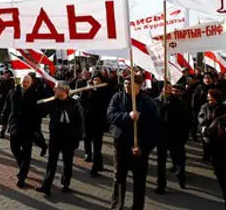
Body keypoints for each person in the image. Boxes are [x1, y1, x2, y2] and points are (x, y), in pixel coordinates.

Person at [107, 75, 159, 210]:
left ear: (139, 86)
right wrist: (126, 116)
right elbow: (110, 116)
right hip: (121, 144)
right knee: (119, 176)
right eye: (125, 83)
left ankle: (137, 206)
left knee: (139, 179)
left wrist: (144, 147)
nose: (127, 87)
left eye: (130, 84)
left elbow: (154, 129)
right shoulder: (117, 98)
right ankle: (117, 205)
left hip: (139, 147)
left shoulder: (149, 103)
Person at [36, 83, 83, 196]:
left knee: (67, 162)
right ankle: (46, 186)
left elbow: (79, 123)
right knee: (51, 163)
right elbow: (42, 112)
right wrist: (44, 102)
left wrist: (77, 138)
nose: (54, 89)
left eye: (56, 88)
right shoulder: (53, 102)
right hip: (55, 137)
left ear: (64, 90)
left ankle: (65, 184)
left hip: (69, 138)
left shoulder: (74, 103)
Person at [2, 74, 42, 188]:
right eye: (24, 81)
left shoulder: (34, 94)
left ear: (31, 83)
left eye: (27, 82)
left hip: (28, 127)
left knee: (26, 152)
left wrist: (36, 128)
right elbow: (7, 107)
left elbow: (37, 113)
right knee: (14, 149)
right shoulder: (13, 92)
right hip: (14, 125)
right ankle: (22, 166)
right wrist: (3, 119)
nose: (25, 84)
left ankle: (22, 176)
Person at [154, 81, 191, 193]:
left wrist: (184, 135)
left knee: (178, 160)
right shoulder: (155, 102)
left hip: (176, 136)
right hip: (161, 137)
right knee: (161, 162)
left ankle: (181, 177)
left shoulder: (180, 103)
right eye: (166, 87)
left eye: (170, 87)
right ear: (161, 89)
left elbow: (186, 120)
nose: (169, 89)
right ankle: (161, 184)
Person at [80, 72, 111, 177]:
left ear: (101, 81)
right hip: (88, 121)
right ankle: (90, 156)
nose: (96, 82)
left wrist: (94, 92)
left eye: (98, 80)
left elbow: (102, 103)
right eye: (94, 80)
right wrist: (86, 92)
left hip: (99, 122)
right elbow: (82, 103)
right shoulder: (87, 90)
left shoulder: (105, 91)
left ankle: (95, 168)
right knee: (87, 139)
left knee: (97, 146)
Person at [198, 88, 226, 162]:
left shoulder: (223, 107)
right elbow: (200, 116)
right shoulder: (205, 106)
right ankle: (206, 156)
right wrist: (203, 123)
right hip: (206, 129)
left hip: (218, 130)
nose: (208, 98)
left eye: (209, 97)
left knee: (216, 145)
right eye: (207, 97)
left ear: (215, 97)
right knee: (206, 144)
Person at [28, 71, 50, 157]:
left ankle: (43, 146)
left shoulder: (40, 87)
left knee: (36, 133)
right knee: (28, 135)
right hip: (27, 114)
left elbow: (44, 99)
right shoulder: (27, 86)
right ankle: (27, 155)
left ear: (34, 79)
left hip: (37, 114)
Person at [0, 69, 16, 138]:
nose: (7, 75)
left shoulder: (12, 82)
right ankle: (4, 125)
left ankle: (2, 130)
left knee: (5, 117)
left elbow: (13, 93)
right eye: (5, 74)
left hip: (7, 102)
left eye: (8, 74)